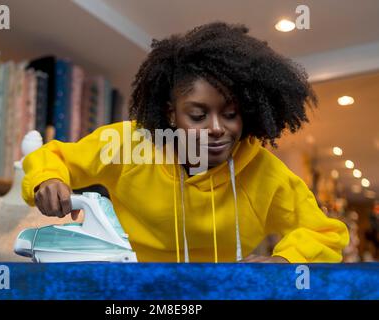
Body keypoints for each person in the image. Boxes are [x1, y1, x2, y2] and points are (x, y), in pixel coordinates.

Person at [21, 22, 349, 263]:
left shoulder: (265, 174)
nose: (217, 128)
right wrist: (48, 179)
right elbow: (57, 157)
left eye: (231, 114)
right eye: (198, 115)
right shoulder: (127, 144)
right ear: (171, 113)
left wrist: (285, 263)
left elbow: (326, 233)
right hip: (132, 293)